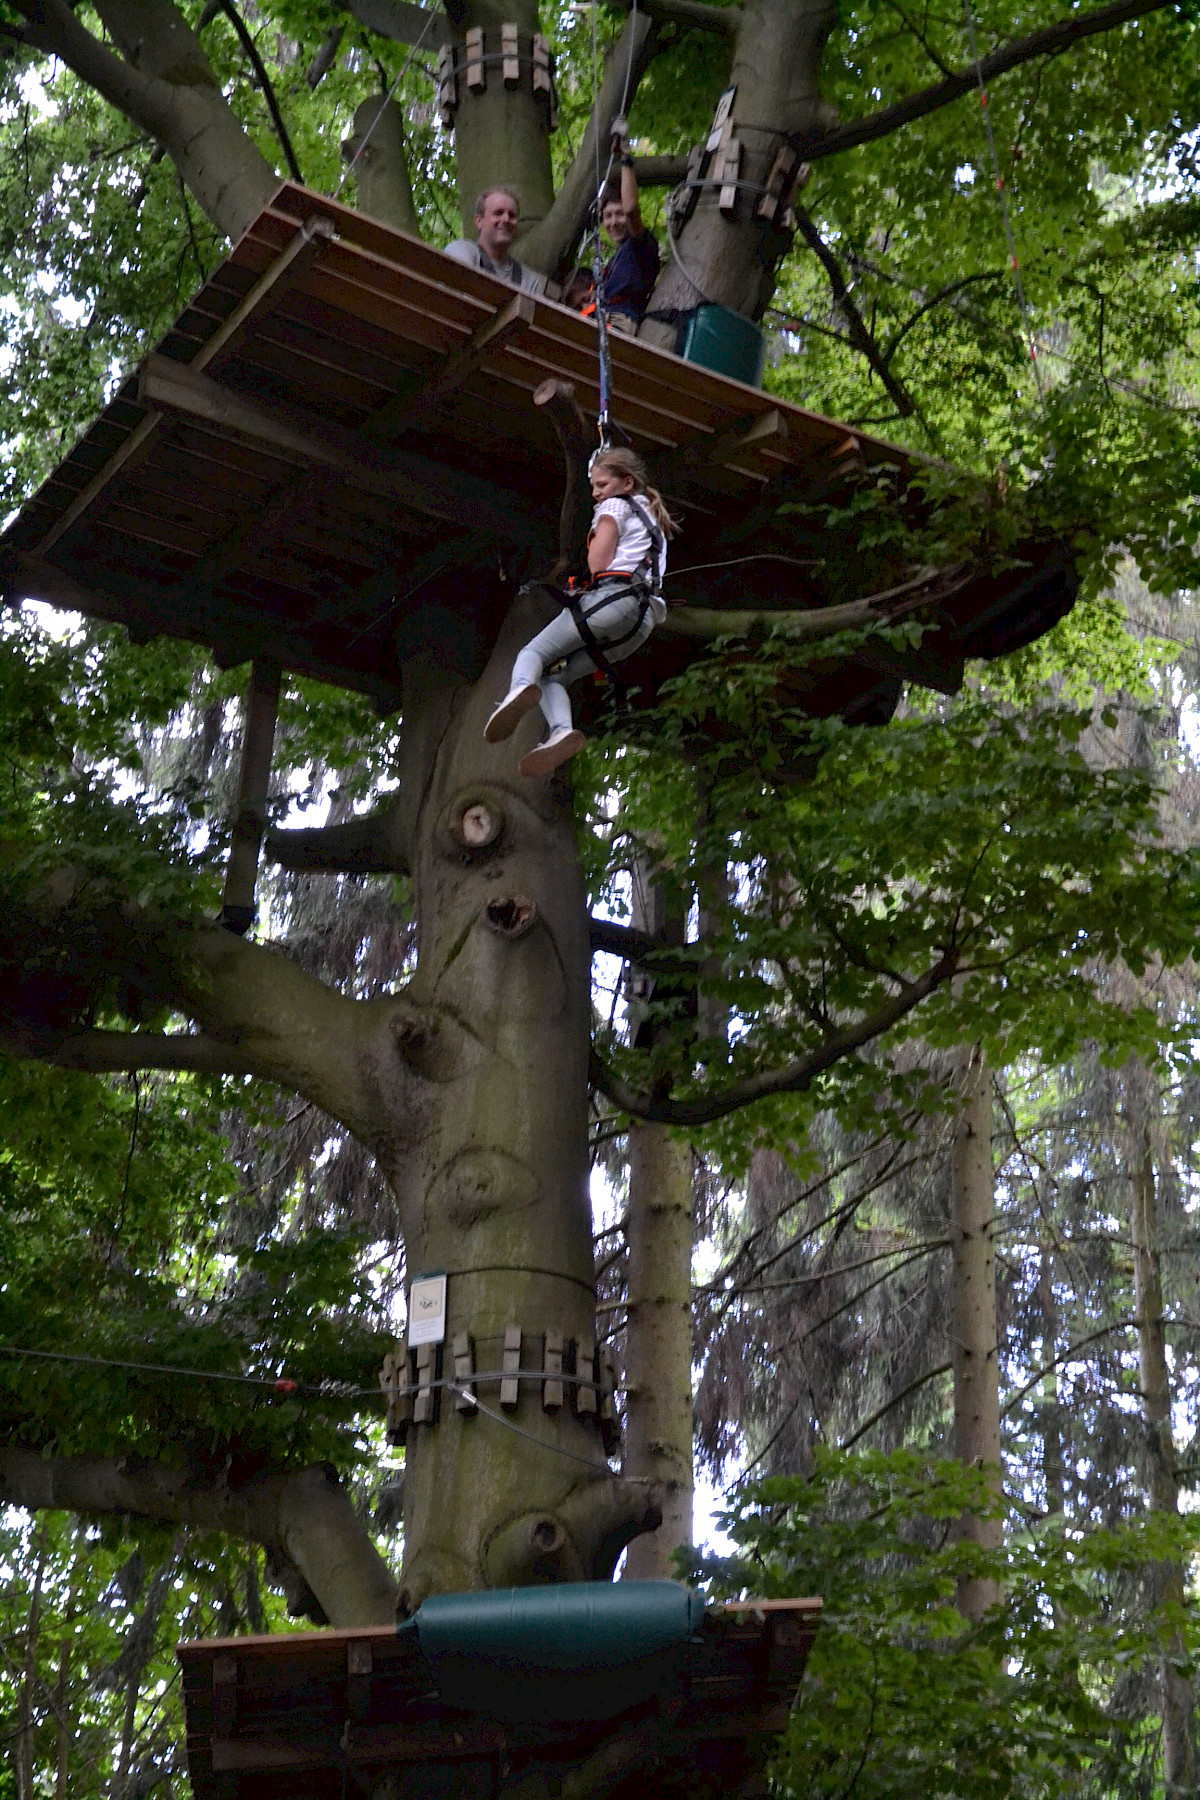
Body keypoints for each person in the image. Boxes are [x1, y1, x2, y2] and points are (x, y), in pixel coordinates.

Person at [484, 447, 678, 776]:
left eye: (602, 484)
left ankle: (519, 687)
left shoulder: (615, 506)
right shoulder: (653, 520)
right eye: (593, 486)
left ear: (626, 482)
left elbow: (598, 562)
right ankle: (561, 731)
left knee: (533, 652)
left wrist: (599, 526)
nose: (596, 493)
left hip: (612, 602)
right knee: (555, 676)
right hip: (640, 626)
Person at [572, 132, 660, 333]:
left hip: (617, 323)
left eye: (618, 215)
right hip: (601, 319)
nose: (613, 222)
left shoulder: (641, 246)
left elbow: (631, 209)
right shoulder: (615, 261)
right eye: (608, 216)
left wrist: (626, 160)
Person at [445, 186, 546, 294]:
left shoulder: (529, 281)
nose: (506, 219)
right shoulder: (461, 251)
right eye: (498, 213)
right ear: (479, 221)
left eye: (512, 215)